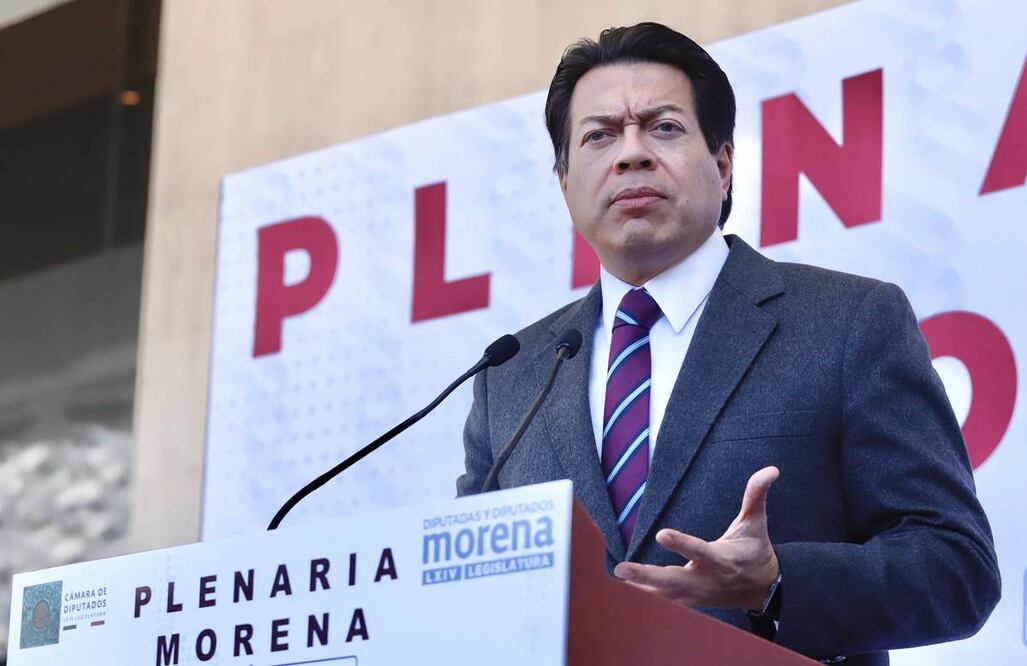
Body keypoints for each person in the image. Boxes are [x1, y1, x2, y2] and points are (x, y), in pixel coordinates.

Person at [456, 22, 999, 664]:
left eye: (662, 127)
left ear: (723, 162)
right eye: (599, 136)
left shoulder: (848, 322)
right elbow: (473, 600)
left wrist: (774, 583)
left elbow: (957, 569)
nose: (630, 154)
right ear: (565, 182)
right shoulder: (513, 373)